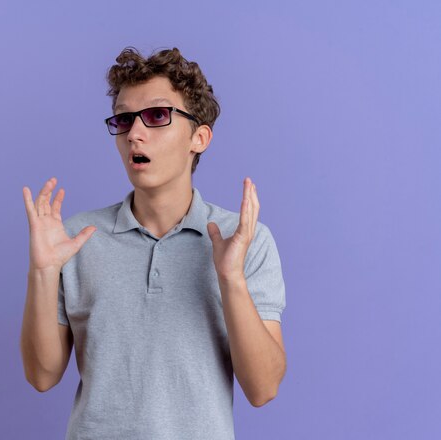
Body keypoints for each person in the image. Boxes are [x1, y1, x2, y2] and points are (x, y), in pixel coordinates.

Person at [20, 47, 287, 440]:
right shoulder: (76, 238)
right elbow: (42, 376)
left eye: (157, 116)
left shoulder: (245, 239)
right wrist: (42, 272)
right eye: (125, 119)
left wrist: (231, 277)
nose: (135, 134)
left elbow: (263, 389)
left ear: (199, 137)